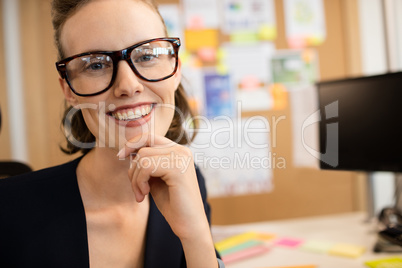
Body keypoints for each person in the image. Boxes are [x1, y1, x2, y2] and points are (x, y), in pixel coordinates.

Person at [0, 0, 224, 267]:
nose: (128, 85)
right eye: (95, 65)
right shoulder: (8, 210)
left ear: (175, 67)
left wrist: (196, 236)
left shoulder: (186, 181)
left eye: (146, 56)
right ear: (69, 88)